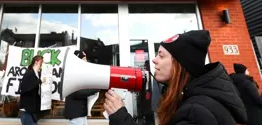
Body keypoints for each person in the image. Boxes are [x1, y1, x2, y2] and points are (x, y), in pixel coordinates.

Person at [103, 30, 247, 125]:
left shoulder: (195, 113)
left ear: (180, 64)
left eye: (161, 55)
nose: (154, 60)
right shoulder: (195, 100)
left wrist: (120, 118)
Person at [64, 50, 100, 125]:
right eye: (83, 59)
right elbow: (77, 92)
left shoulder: (78, 72)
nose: (86, 61)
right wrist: (95, 89)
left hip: (80, 111)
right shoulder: (72, 73)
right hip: (75, 112)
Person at [19, 55, 46, 125]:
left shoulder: (37, 74)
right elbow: (25, 88)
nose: (42, 64)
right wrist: (39, 81)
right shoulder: (29, 73)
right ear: (36, 62)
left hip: (33, 111)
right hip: (28, 111)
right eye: (41, 62)